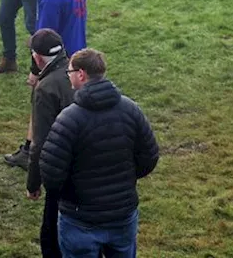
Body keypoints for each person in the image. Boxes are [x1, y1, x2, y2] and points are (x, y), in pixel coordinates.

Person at [40, 49, 160, 258]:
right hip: (122, 215)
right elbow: (149, 157)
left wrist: (73, 197)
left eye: (69, 72)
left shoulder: (69, 119)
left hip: (80, 220)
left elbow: (51, 175)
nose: (68, 77)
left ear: (81, 74)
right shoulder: (131, 109)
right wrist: (125, 179)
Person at [4, 0, 87, 170]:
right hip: (78, 54)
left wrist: (35, 71)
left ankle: (30, 151)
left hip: (58, 61)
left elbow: (43, 38)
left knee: (40, 104)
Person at [21, 29, 75, 258]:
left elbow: (40, 143)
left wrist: (33, 183)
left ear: (38, 58)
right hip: (93, 168)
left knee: (51, 237)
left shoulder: (46, 88)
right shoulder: (79, 72)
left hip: (62, 171)